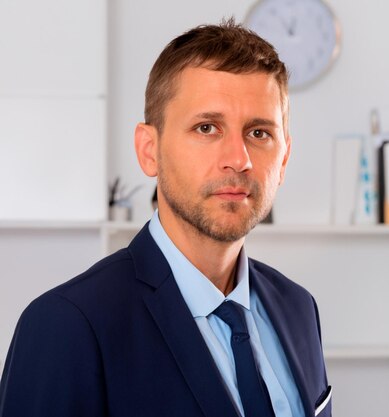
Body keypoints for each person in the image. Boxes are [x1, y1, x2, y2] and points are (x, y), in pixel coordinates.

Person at [0, 19, 331, 417]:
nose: (239, 159)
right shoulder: (67, 326)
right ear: (149, 150)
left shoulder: (298, 308)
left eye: (259, 133)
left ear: (284, 158)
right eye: (207, 127)